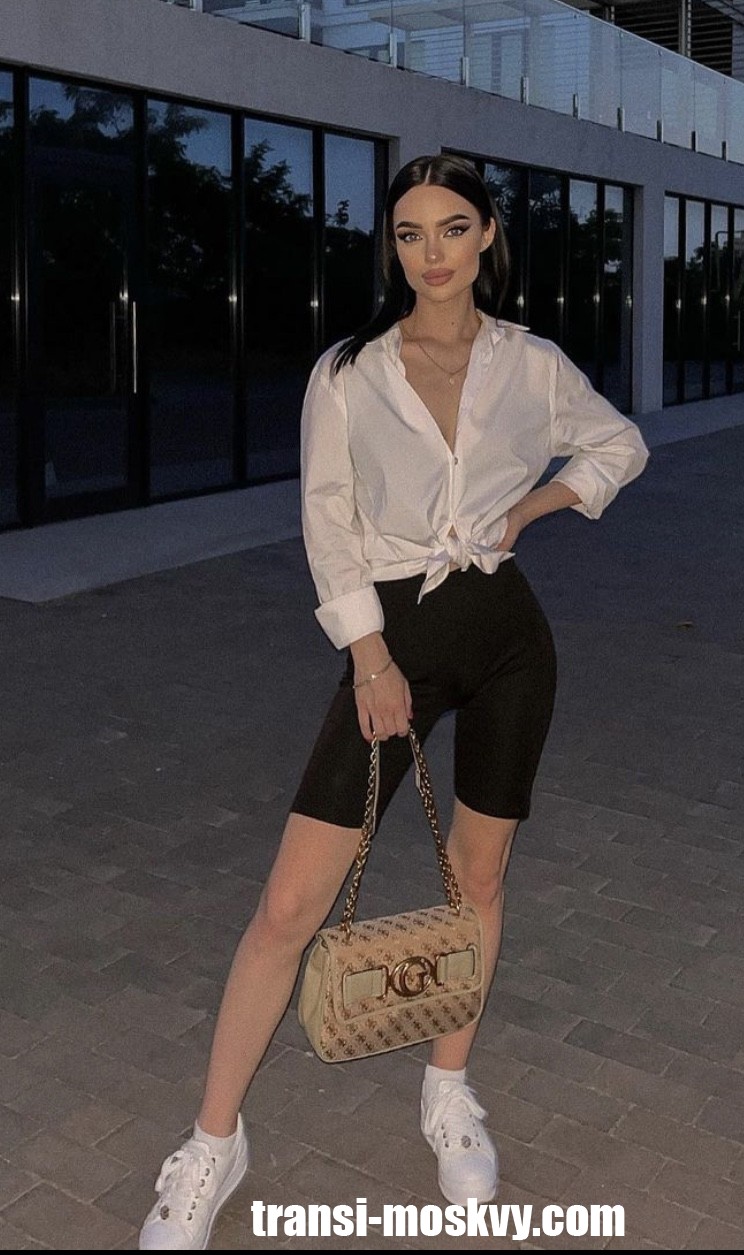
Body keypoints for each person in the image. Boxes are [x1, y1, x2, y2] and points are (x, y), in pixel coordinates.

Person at [139, 153, 649, 1251]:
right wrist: (370, 659)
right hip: (394, 644)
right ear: (392, 247)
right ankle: (213, 1142)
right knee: (289, 907)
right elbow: (327, 519)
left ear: (488, 234)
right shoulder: (351, 371)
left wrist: (532, 509)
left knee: (480, 878)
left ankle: (447, 1087)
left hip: (507, 639)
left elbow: (620, 443)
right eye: (410, 233)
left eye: (453, 228)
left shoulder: (530, 363)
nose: (432, 253)